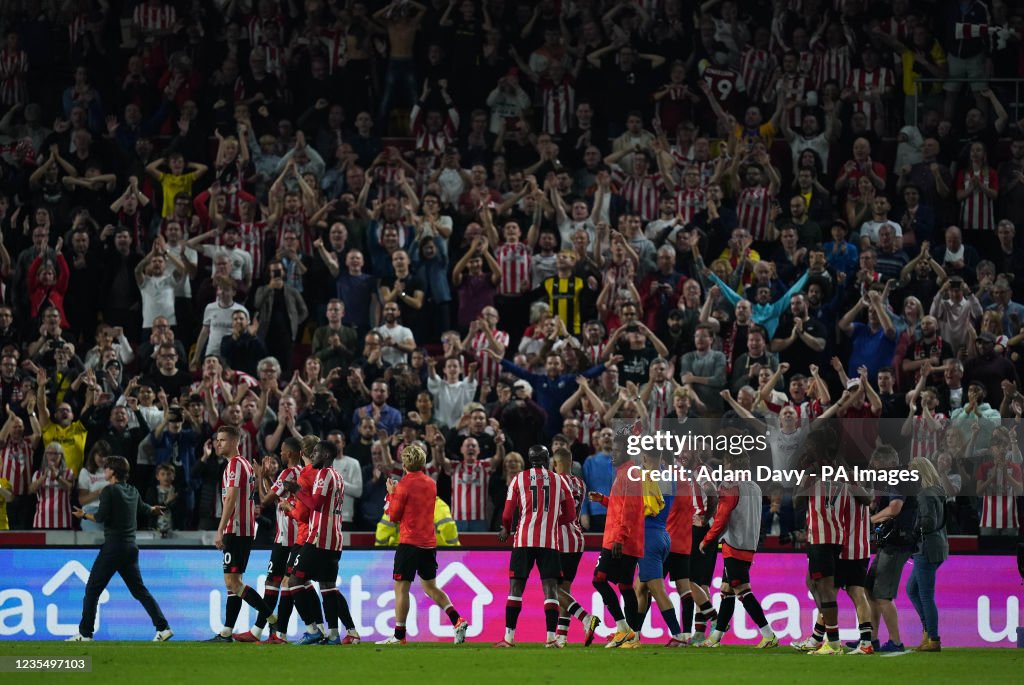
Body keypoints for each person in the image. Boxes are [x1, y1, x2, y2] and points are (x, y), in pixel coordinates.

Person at [66, 456, 172, 642]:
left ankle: (85, 634)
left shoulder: (109, 491)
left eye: (106, 469)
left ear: (112, 472)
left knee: (92, 590)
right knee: (140, 591)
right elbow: (145, 508)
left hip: (113, 547)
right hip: (131, 548)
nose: (104, 472)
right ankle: (163, 628)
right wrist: (154, 509)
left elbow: (100, 517)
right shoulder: (132, 490)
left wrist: (84, 515)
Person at [378, 444, 470, 645]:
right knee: (431, 587)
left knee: (401, 588)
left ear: (404, 463)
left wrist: (391, 493)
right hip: (428, 544)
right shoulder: (431, 483)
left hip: (409, 544)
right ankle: (457, 620)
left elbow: (393, 516)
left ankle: (399, 635)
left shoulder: (403, 485)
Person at [279, 440, 359, 645]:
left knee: (294, 581)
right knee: (327, 586)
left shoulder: (323, 474)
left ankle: (313, 629)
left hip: (318, 539)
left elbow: (316, 504)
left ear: (325, 456)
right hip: (334, 540)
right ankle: (333, 634)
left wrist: (296, 490)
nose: (312, 455)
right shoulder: (338, 477)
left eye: (316, 452)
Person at [496, 445, 576, 647]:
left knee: (516, 588)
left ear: (529, 459)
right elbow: (571, 514)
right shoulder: (558, 480)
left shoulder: (518, 479)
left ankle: (509, 638)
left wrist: (507, 528)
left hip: (523, 539)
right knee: (550, 589)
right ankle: (551, 638)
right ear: (548, 458)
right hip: (549, 541)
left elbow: (507, 515)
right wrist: (554, 522)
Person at [698, 450, 778, 649]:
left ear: (729, 465)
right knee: (727, 590)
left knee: (741, 590)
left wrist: (706, 539)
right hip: (750, 545)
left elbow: (721, 519)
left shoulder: (729, 487)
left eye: (725, 465)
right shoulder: (756, 488)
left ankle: (768, 635)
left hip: (733, 545)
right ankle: (715, 637)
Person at [206, 426, 278, 641]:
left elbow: (231, 499)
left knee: (233, 583)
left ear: (235, 442)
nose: (218, 444)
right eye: (217, 440)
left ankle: (272, 620)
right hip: (244, 529)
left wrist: (220, 529)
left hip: (236, 529)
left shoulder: (236, 465)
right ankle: (227, 632)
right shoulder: (244, 464)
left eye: (222, 440)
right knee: (234, 582)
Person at [589, 437, 644, 649]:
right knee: (625, 586)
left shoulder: (629, 475)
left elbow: (629, 511)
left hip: (619, 540)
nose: (613, 454)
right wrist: (603, 499)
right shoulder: (626, 474)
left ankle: (623, 629)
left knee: (599, 579)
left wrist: (620, 538)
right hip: (629, 540)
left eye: (617, 450)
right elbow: (622, 505)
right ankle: (633, 637)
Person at [550, 448, 600, 646]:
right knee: (565, 589)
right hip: (577, 539)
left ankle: (586, 618)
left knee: (552, 588)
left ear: (555, 464)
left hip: (559, 539)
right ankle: (561, 638)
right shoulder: (580, 483)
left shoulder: (554, 482)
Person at [906, 457, 948, 653]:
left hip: (926, 548)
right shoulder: (938, 492)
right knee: (912, 589)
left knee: (924, 594)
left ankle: (933, 638)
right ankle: (928, 633)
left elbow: (928, 522)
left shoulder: (924, 494)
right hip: (939, 546)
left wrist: (912, 535)